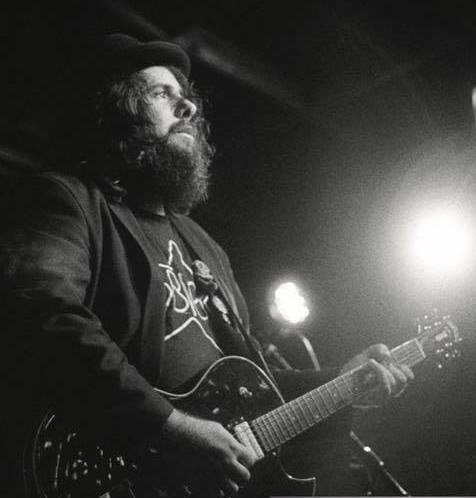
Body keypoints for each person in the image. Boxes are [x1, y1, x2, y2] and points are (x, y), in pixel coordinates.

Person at [0, 34, 413, 497]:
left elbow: (252, 393)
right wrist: (171, 426)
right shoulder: (70, 200)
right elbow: (42, 311)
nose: (189, 108)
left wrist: (342, 383)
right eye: (162, 94)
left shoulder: (208, 249)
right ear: (117, 113)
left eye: (186, 97)